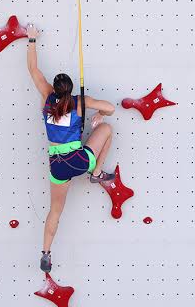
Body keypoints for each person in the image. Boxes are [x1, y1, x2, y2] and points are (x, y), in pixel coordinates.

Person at [26, 23, 117, 272]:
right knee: (107, 130)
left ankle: (45, 252)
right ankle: (96, 174)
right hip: (79, 161)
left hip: (58, 167)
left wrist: (31, 40)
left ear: (54, 89)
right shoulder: (80, 102)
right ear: (71, 89)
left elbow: (33, 70)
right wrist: (98, 115)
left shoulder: (46, 97)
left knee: (54, 211)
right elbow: (110, 108)